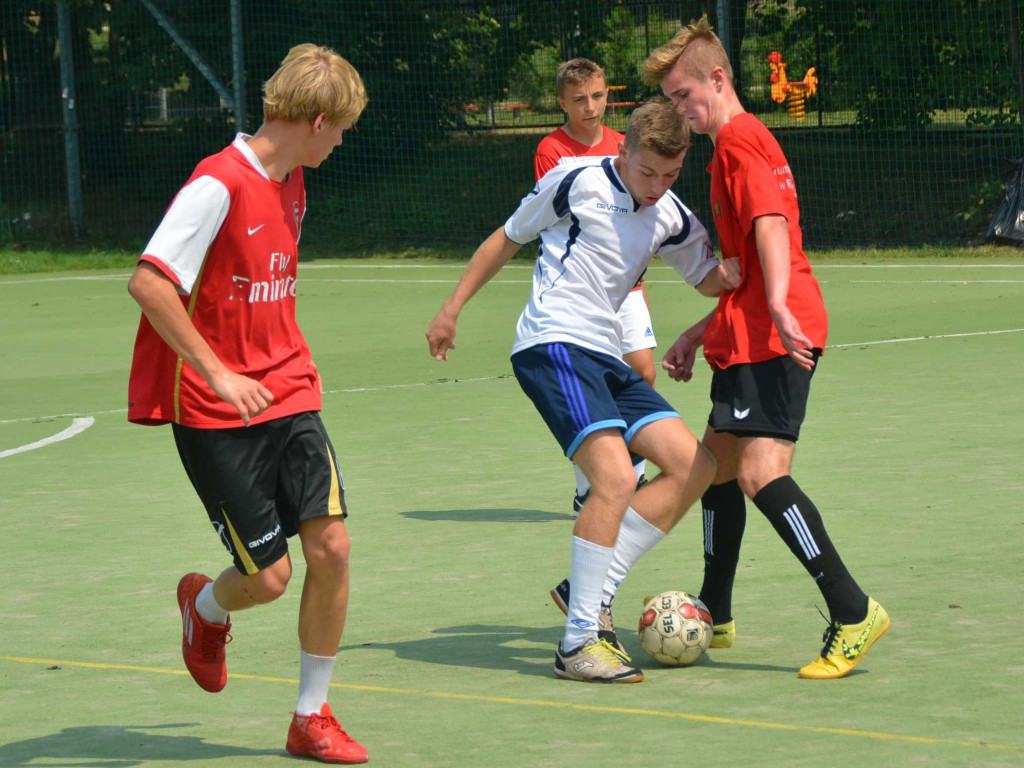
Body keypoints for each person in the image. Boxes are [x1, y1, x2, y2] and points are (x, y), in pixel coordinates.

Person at [427, 100, 740, 683]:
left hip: (605, 353)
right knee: (617, 480)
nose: (657, 186)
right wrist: (452, 308)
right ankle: (578, 644)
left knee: (695, 465)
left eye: (670, 176)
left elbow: (708, 279)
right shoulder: (573, 180)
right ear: (623, 152)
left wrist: (758, 253)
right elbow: (507, 237)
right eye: (648, 172)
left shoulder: (670, 212)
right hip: (553, 343)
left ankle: (589, 588)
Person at [127, 44, 369, 762]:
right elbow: (149, 282)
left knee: (332, 548)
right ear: (317, 120)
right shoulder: (216, 185)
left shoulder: (293, 182)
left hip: (290, 391)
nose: (342, 141)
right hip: (216, 408)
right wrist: (220, 372)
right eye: (342, 129)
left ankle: (310, 716)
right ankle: (203, 607)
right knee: (268, 578)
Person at [643, 17, 890, 679]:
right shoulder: (737, 141)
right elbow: (746, 264)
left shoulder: (739, 141)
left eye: (682, 94)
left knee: (759, 472)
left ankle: (852, 609)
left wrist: (779, 305)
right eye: (669, 99)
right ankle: (716, 610)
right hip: (746, 331)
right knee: (718, 469)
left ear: (718, 79)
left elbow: (771, 226)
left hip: (773, 334)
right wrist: (703, 331)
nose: (677, 110)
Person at [534, 58, 656, 514]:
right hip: (581, 289)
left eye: (598, 96)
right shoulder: (552, 150)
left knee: (643, 372)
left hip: (628, 286)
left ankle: (635, 474)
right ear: (563, 102)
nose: (591, 106)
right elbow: (559, 215)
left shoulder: (625, 145)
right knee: (592, 385)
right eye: (580, 99)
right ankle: (590, 483)